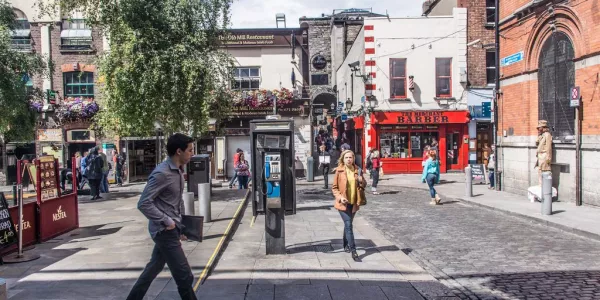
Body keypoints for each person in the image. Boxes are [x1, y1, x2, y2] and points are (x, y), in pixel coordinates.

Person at [127, 133, 197, 300]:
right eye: (190, 150)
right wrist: (167, 221)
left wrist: (182, 224)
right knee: (184, 277)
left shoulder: (178, 171)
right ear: (179, 151)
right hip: (164, 231)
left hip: (172, 228)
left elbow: (176, 200)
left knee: (152, 270)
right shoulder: (162, 173)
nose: (192, 154)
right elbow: (144, 203)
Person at [332, 150, 366, 262]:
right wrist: (340, 197)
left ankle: (345, 243)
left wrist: (361, 181)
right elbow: (334, 188)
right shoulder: (339, 170)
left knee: (348, 224)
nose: (349, 159)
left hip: (354, 202)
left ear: (353, 158)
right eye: (346, 157)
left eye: (350, 157)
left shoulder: (358, 170)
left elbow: (363, 185)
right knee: (348, 225)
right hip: (343, 203)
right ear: (343, 159)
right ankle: (354, 251)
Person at [535, 120, 552, 186]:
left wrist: (548, 158)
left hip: (544, 156)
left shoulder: (547, 135)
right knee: (540, 171)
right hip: (540, 156)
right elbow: (537, 143)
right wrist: (539, 137)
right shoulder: (542, 135)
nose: (538, 129)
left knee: (545, 172)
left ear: (543, 127)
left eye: (540, 128)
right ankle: (540, 186)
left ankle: (545, 187)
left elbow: (548, 148)